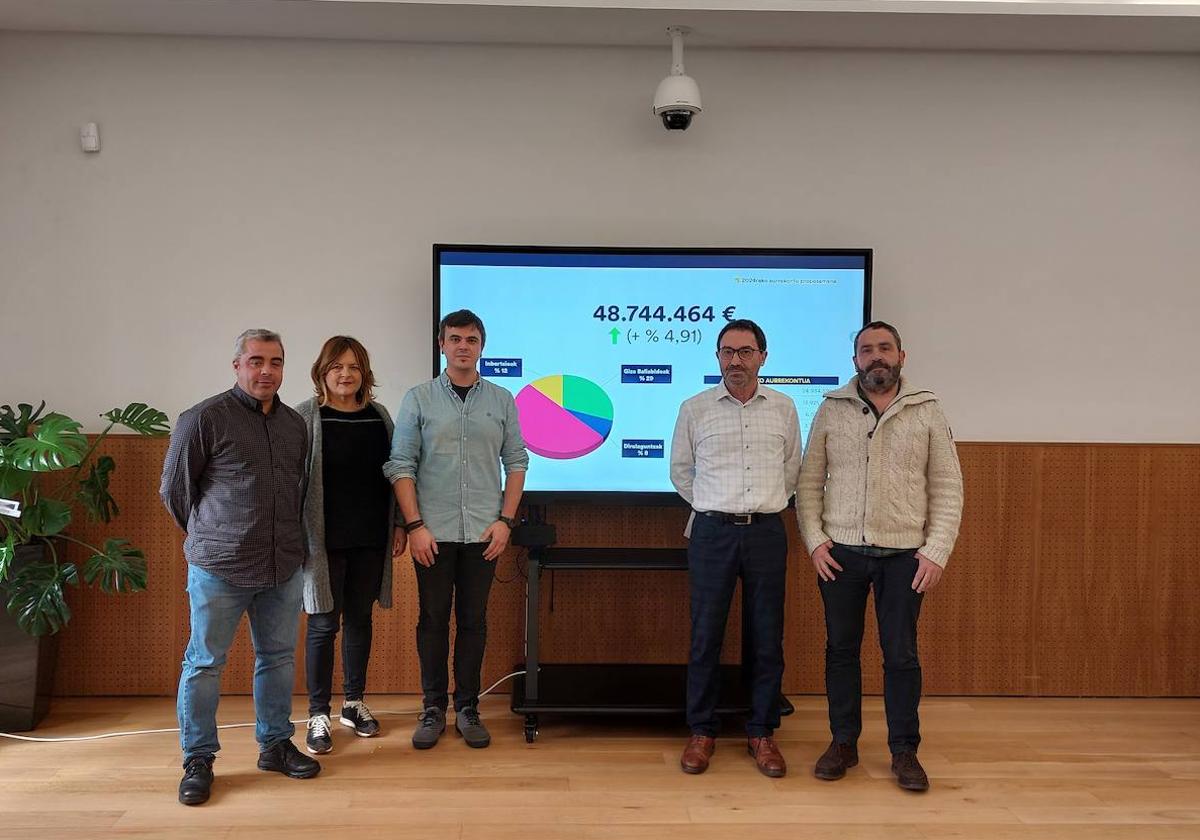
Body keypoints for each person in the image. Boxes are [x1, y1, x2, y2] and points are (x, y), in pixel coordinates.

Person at [797, 320, 963, 792]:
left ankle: (904, 751)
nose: (876, 356)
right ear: (855, 360)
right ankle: (843, 742)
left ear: (901, 357)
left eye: (884, 348)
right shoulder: (832, 410)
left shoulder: (927, 410)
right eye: (866, 349)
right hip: (841, 556)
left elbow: (949, 486)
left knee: (901, 655)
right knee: (841, 651)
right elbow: (809, 482)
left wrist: (935, 551)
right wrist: (815, 540)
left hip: (905, 557)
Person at [160, 329, 319, 807]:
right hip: (220, 567)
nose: (266, 371)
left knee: (277, 658)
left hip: (283, 565)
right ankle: (199, 759)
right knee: (205, 663)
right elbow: (174, 492)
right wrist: (213, 535)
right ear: (237, 366)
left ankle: (274, 745)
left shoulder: (295, 425)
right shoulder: (204, 418)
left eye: (275, 362)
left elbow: (299, 489)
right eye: (255, 361)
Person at [383, 309, 528, 750]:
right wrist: (415, 525)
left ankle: (467, 708)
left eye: (472, 339)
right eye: (455, 338)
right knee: (431, 621)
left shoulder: (502, 399)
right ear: (441, 345)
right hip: (433, 533)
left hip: (484, 534)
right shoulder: (419, 398)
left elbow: (517, 461)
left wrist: (505, 522)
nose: (463, 346)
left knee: (473, 622)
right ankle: (432, 709)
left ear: (482, 346)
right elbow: (400, 465)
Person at [669, 318, 801, 777]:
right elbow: (681, 473)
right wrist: (714, 506)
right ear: (718, 358)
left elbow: (792, 471)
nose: (736, 360)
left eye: (745, 351)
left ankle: (762, 732)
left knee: (767, 638)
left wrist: (759, 507)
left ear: (763, 356)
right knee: (706, 636)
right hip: (711, 533)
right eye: (727, 351)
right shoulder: (695, 408)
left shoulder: (784, 409)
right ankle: (701, 731)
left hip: (766, 532)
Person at [295, 336, 406, 754]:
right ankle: (318, 713)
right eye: (337, 367)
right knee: (323, 624)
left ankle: (353, 703)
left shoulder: (380, 417)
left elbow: (397, 475)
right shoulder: (306, 417)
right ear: (322, 372)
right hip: (320, 541)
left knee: (360, 620)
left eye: (354, 367)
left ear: (365, 374)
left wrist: (397, 525)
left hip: (369, 538)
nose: (346, 374)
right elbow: (293, 483)